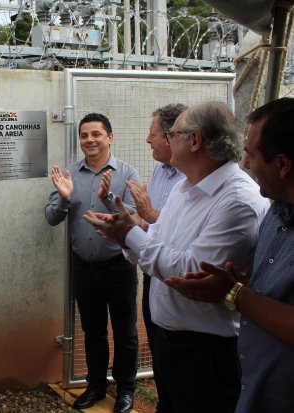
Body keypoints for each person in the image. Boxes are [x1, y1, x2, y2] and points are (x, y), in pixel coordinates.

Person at [84, 102, 270, 413]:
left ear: (195, 141)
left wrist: (129, 234)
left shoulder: (237, 200)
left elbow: (190, 274)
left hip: (207, 353)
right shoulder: (186, 187)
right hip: (173, 344)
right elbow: (154, 243)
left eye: (172, 134)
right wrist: (128, 234)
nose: (163, 140)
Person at [165, 98, 294, 413]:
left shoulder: (239, 199)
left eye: (250, 155)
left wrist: (234, 292)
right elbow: (272, 288)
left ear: (282, 164)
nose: (246, 164)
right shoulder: (277, 213)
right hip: (258, 387)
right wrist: (240, 282)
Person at [45, 113, 140, 413]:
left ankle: (126, 388)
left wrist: (109, 198)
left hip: (119, 267)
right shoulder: (70, 174)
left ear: (110, 137)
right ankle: (97, 385)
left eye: (96, 134)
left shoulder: (128, 173)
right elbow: (51, 218)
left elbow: (136, 220)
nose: (89, 140)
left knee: (125, 332)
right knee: (93, 331)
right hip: (85, 269)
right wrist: (64, 199)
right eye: (84, 135)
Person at [126, 104, 187, 412]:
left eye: (152, 135)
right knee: (157, 339)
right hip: (153, 269)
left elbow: (181, 228)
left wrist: (146, 217)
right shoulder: (161, 171)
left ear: (169, 136)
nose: (147, 141)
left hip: (180, 275)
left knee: (179, 354)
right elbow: (151, 222)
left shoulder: (191, 178)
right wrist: (132, 220)